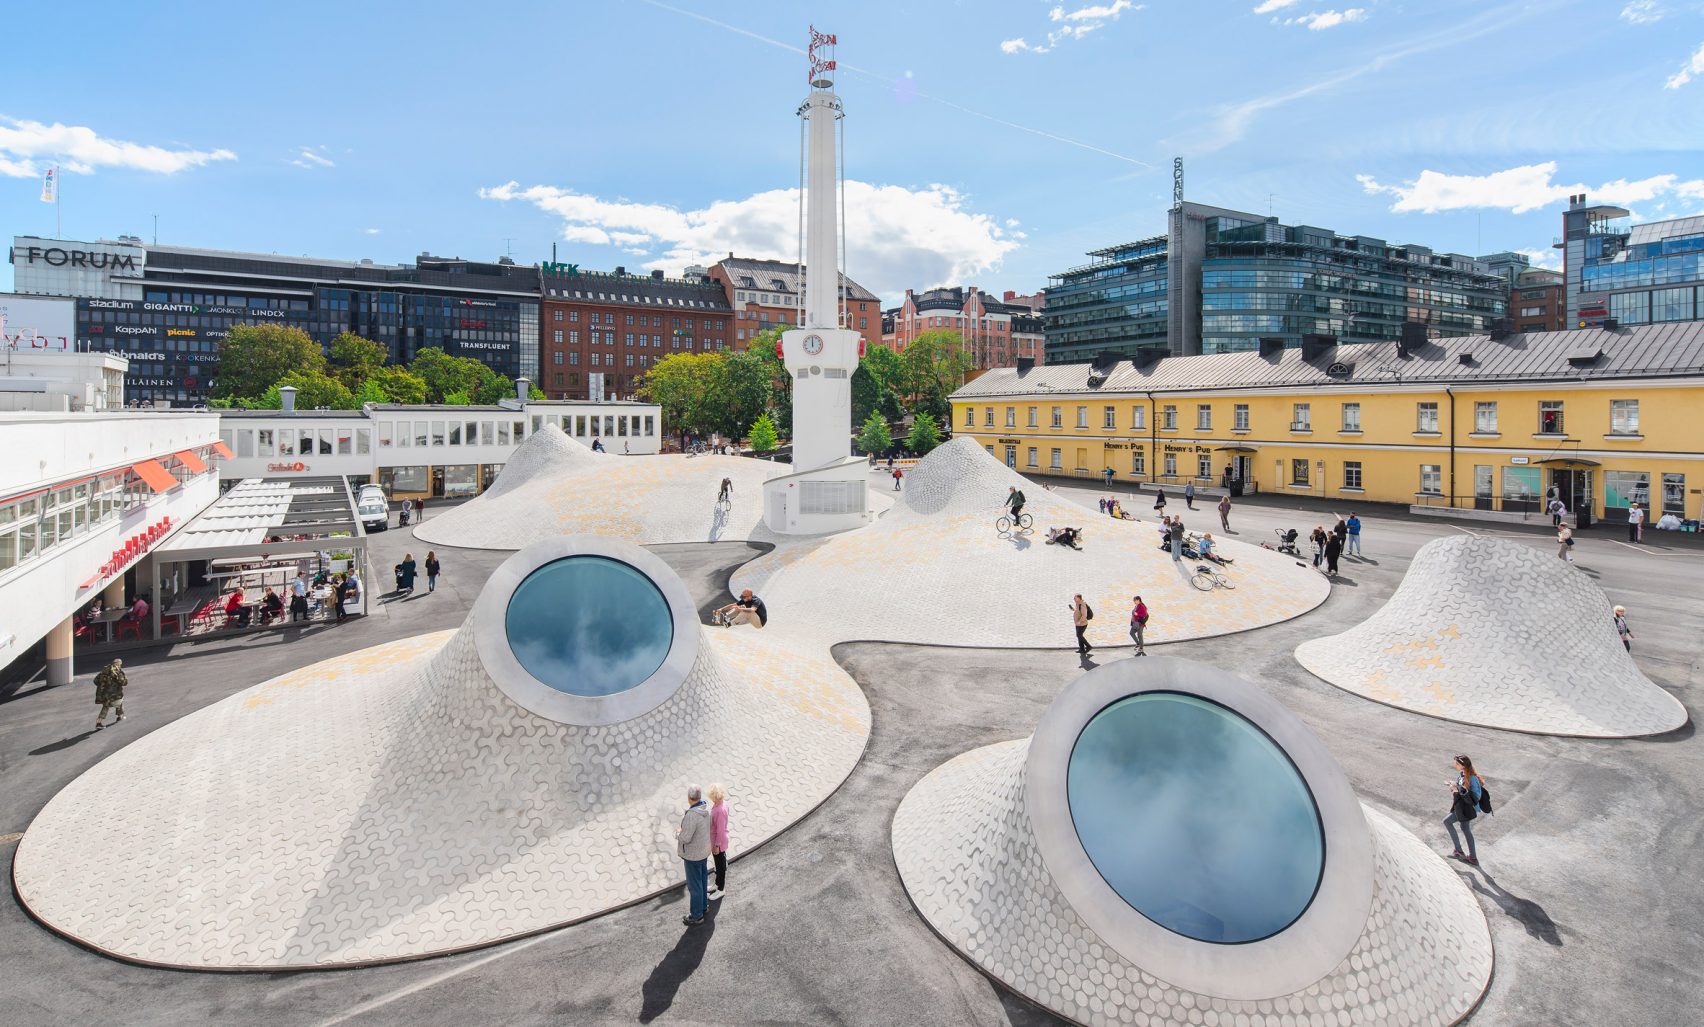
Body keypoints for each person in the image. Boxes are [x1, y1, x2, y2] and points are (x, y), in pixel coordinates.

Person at [676, 785, 712, 926]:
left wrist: (677, 832)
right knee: (702, 880)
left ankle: (696, 915)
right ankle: (704, 906)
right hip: (703, 852)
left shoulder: (692, 815)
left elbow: (685, 838)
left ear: (689, 798)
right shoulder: (706, 809)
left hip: (693, 856)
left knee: (694, 886)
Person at [1444, 754, 1484, 866]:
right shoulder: (1462, 775)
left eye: (1457, 764)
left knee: (1447, 822)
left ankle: (1461, 852)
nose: (1455, 765)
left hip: (1466, 809)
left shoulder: (1472, 778)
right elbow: (1462, 789)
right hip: (1461, 807)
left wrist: (1458, 790)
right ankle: (1470, 856)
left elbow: (1476, 797)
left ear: (1463, 765)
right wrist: (1455, 787)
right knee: (1465, 829)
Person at [707, 782, 731, 899]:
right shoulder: (721, 804)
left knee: (720, 867)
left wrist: (716, 845)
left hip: (719, 843)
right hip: (718, 842)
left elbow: (720, 830)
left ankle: (721, 889)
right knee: (718, 865)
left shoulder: (719, 811)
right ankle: (717, 884)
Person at [94, 658, 127, 730]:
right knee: (119, 701)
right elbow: (123, 682)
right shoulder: (117, 672)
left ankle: (99, 723)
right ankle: (119, 716)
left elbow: (95, 681)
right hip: (114, 693)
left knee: (106, 706)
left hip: (103, 693)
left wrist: (103, 686)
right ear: (119, 664)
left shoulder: (104, 671)